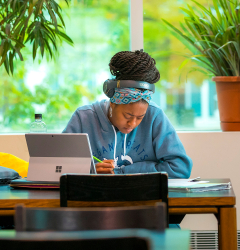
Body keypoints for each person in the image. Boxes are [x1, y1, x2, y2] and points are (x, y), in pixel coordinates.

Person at [63, 50, 192, 177]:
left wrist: (121, 172)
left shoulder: (154, 116)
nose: (133, 123)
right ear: (113, 103)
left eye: (140, 117)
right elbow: (58, 165)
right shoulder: (83, 118)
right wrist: (90, 170)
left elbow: (180, 168)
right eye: (127, 116)